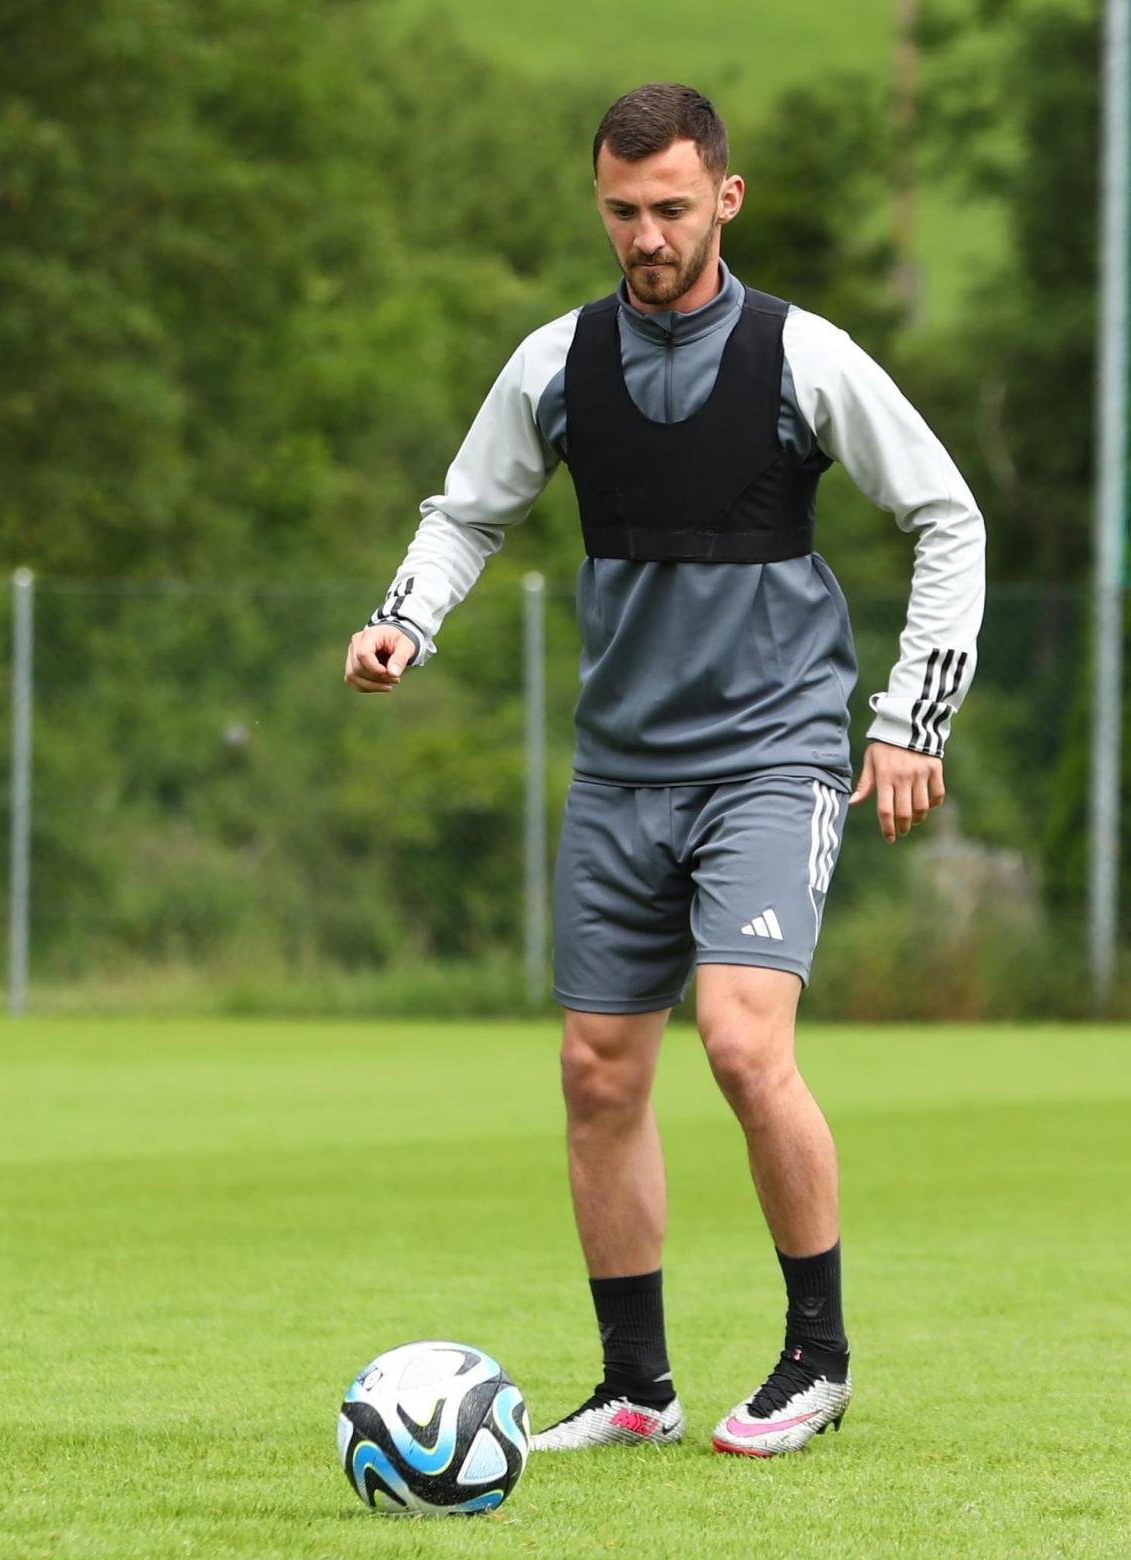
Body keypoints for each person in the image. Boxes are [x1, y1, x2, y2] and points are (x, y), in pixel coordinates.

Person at [343, 83, 984, 1458]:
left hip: (772, 753)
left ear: (725, 200)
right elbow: (466, 515)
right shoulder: (555, 363)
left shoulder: (803, 356)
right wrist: (405, 619)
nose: (647, 236)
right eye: (623, 211)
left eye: (673, 209)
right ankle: (636, 1388)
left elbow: (948, 515)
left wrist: (910, 719)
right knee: (597, 1070)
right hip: (623, 771)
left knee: (744, 1043)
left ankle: (816, 1361)